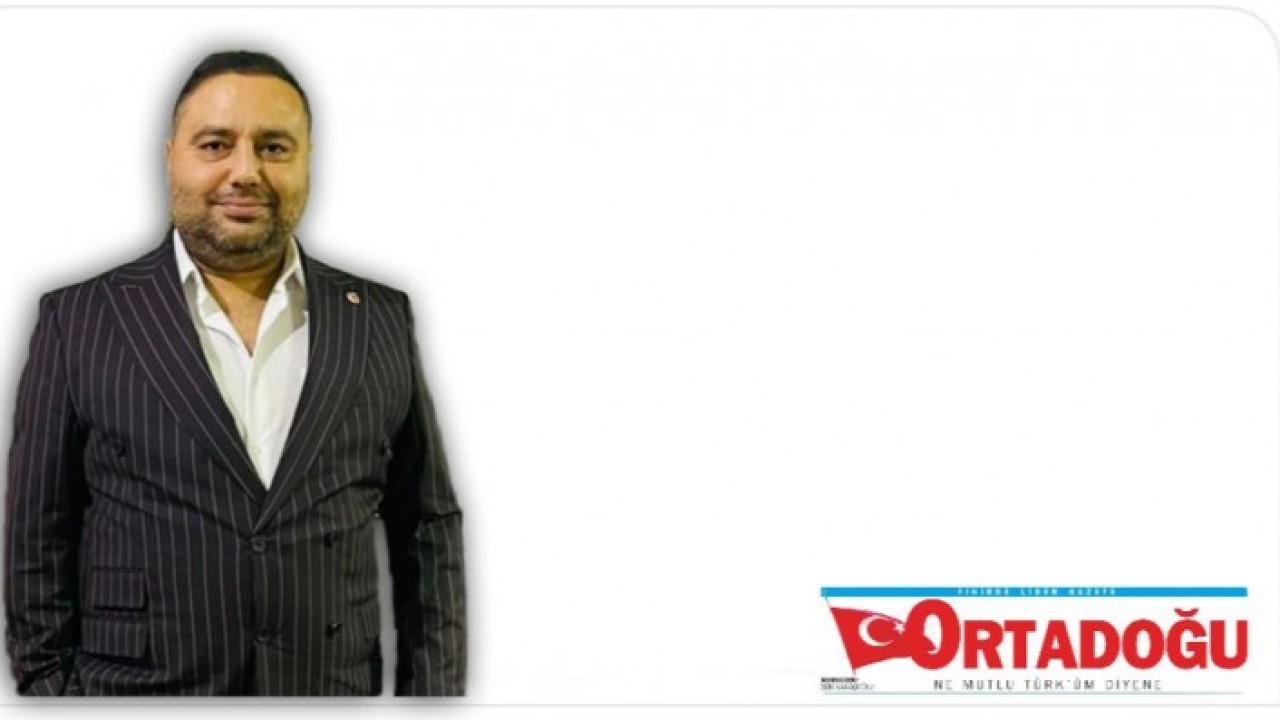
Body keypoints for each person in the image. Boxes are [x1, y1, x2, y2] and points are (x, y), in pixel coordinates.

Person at [3, 50, 465, 696]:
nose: (245, 171)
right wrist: (52, 695)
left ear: (308, 160)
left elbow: (425, 524)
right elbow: (36, 535)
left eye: (273, 147)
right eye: (216, 144)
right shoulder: (79, 319)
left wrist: (432, 699)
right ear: (171, 157)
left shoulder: (378, 318)